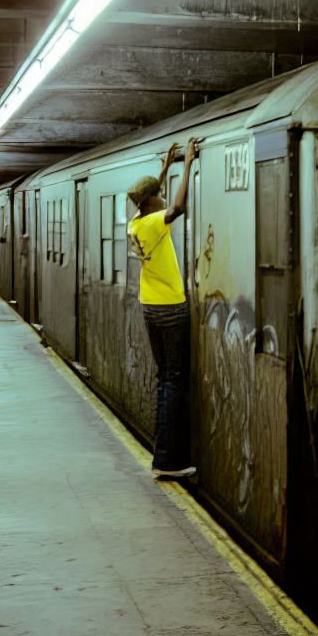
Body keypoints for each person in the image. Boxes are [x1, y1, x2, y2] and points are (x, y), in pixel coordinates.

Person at [127, 138, 198, 479]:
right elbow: (179, 208)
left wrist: (165, 167)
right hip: (170, 308)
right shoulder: (157, 222)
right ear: (152, 201)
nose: (164, 197)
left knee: (163, 378)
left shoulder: (136, 223)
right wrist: (187, 166)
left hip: (150, 306)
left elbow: (150, 199)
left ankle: (163, 454)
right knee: (173, 381)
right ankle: (169, 461)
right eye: (160, 194)